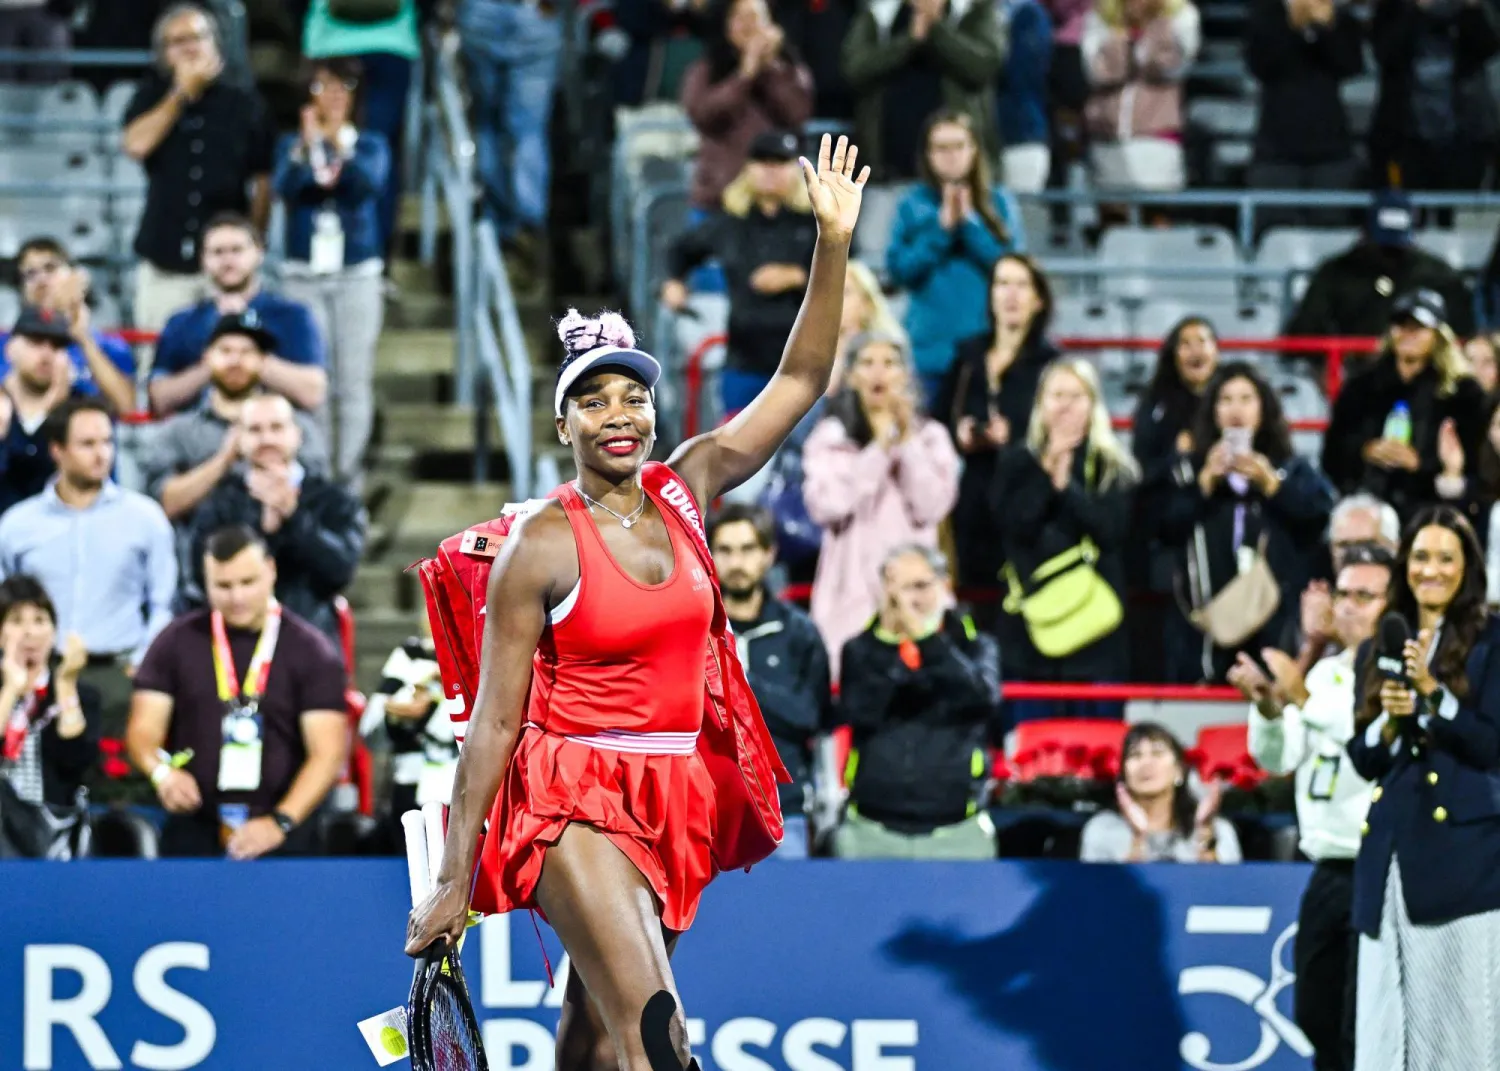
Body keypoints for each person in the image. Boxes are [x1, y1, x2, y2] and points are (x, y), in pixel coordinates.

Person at [403, 135, 869, 1071]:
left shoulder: (690, 485)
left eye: (632, 397)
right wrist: (455, 875)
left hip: (673, 796)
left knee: (597, 1045)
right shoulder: (540, 543)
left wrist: (831, 244)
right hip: (570, 795)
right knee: (660, 1038)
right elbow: (494, 723)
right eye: (595, 401)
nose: (619, 413)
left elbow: (801, 381)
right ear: (564, 423)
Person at [1346, 506, 1500, 1071]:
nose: (1430, 570)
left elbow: (1491, 745)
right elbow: (1364, 759)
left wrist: (1435, 696)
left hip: (1468, 865)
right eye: (1420, 557)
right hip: (1389, 861)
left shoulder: (1493, 642)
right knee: (1386, 1030)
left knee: (1463, 1031)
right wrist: (1386, 723)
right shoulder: (1380, 643)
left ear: (1467, 568)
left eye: (1445, 558)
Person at [1229, 543, 1392, 1071]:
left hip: (1387, 873)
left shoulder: (1398, 673)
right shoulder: (1323, 674)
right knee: (1318, 1015)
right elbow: (1278, 759)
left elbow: (1369, 737)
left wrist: (1299, 697)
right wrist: (1268, 709)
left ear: (1394, 605)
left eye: (1363, 596)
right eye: (1341, 594)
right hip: (1327, 870)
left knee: (1369, 1022)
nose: (1345, 606)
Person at [126, 524, 349, 858]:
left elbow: (327, 753)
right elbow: (143, 730)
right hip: (196, 826)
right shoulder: (175, 641)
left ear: (271, 571)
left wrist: (280, 822)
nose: (237, 597)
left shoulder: (311, 650)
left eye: (248, 582)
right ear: (205, 581)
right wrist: (162, 773)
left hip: (286, 834)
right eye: (223, 586)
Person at [0, 398, 177, 749]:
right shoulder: (17, 524)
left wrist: (145, 663)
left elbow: (164, 603)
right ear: (58, 450)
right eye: (88, 444)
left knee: (118, 794)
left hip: (119, 676)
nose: (102, 454)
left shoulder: (146, 518)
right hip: (38, 676)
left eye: (108, 442)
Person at [1157, 361, 1335, 683]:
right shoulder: (1188, 471)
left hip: (1275, 623)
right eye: (1225, 400)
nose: (1235, 410)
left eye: (1246, 399)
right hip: (1204, 631)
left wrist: (1273, 486)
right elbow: (1159, 527)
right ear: (1212, 410)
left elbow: (1319, 518)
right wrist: (1204, 486)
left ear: (1264, 407)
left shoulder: (1290, 468)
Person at [802, 330, 960, 676]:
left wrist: (906, 445)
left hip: (917, 592)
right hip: (849, 592)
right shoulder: (830, 438)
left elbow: (932, 506)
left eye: (889, 363)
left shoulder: (932, 438)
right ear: (853, 375)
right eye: (868, 363)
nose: (878, 373)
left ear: (905, 375)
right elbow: (827, 505)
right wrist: (880, 450)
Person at [836, 544, 1001, 859]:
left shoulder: (976, 647)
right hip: (870, 833)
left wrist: (924, 639)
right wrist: (886, 639)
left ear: (945, 586)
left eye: (920, 586)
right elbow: (861, 710)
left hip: (958, 836)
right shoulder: (859, 651)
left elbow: (980, 699)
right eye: (898, 589)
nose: (909, 600)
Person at [992, 358, 1136, 716]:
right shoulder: (1015, 464)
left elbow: (1112, 532)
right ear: (1041, 404)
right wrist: (1046, 473)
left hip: (1098, 638)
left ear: (1093, 405)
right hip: (1030, 639)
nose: (1066, 405)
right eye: (1057, 395)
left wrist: (1066, 488)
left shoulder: (1113, 466)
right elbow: (1014, 528)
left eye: (1077, 395)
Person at [121, 3, 276, 331]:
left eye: (197, 37)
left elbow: (263, 182)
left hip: (226, 268)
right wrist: (179, 94)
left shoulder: (246, 103)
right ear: (163, 54)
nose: (190, 48)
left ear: (216, 43)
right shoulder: (150, 96)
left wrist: (253, 241)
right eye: (177, 42)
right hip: (164, 260)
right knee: (159, 364)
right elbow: (136, 144)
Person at [274, 58, 391, 487]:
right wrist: (308, 147)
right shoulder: (291, 142)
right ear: (308, 94)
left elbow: (363, 184)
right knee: (315, 381)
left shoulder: (370, 144)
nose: (336, 94)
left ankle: (348, 478)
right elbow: (288, 186)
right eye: (323, 86)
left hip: (356, 274)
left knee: (353, 383)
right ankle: (317, 476)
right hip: (303, 274)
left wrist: (333, 146)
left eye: (343, 85)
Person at [186, 393, 366, 647]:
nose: (267, 439)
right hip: (234, 644)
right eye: (255, 430)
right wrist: (260, 528)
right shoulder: (220, 502)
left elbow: (341, 570)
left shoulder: (334, 498)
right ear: (239, 439)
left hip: (312, 643)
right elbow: (198, 574)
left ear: (297, 434)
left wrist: (293, 516)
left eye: (277, 428)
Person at [660, 131, 820, 418]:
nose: (771, 171)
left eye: (780, 162)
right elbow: (678, 250)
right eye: (763, 162)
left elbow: (848, 270)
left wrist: (799, 276)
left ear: (795, 170)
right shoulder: (730, 224)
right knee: (737, 453)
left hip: (805, 362)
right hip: (745, 359)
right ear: (748, 169)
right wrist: (673, 282)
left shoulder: (815, 222)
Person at [707, 503, 833, 859]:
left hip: (783, 809)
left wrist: (736, 685)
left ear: (768, 555)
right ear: (710, 555)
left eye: (748, 549)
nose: (737, 562)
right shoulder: (695, 629)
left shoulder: (800, 633)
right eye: (726, 550)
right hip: (707, 810)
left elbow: (810, 717)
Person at [887, 109, 1027, 401]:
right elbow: (899, 271)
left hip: (987, 350)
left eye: (958, 146)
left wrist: (970, 225)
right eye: (941, 148)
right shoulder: (912, 204)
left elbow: (1013, 268)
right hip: (928, 352)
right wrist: (941, 231)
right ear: (928, 154)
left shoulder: (999, 201)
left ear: (974, 149)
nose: (951, 156)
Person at [936, 252, 1056, 588]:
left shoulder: (1051, 365)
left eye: (1021, 285)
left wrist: (1015, 437)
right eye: (1002, 284)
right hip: (971, 504)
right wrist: (958, 433)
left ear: (1038, 300)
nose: (1011, 294)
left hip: (1026, 505)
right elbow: (936, 420)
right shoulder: (968, 355)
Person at [1322, 288, 1488, 523]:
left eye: (1418, 327)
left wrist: (1421, 464)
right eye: (1401, 325)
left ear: (1438, 335)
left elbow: (1477, 464)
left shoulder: (1464, 394)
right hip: (1368, 505)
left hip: (1436, 509)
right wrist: (1366, 450)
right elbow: (1331, 453)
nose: (1408, 334)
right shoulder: (1361, 387)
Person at [148, 215, 328, 417]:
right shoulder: (182, 322)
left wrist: (249, 353)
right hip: (199, 434)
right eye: (218, 252)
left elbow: (313, 393)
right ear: (203, 259)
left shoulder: (292, 316)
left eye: (237, 250)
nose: (228, 260)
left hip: (275, 433)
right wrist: (213, 365)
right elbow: (158, 399)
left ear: (259, 253)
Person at [841, 0, 1007, 180]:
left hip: (961, 174)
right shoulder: (878, 14)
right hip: (887, 170)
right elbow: (854, 70)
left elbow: (983, 67)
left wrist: (936, 28)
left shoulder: (973, 10)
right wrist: (909, 40)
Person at [680, 0, 815, 211]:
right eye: (739, 18)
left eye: (756, 18)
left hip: (780, 203)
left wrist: (770, 67)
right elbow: (704, 114)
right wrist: (745, 74)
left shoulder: (788, 68)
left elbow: (797, 113)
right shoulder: (705, 70)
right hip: (718, 197)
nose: (748, 26)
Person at [1285, 191, 1475, 339]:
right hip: (1353, 374)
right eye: (1383, 247)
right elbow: (1304, 330)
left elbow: (1462, 331)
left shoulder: (1438, 276)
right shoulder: (1337, 272)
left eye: (1396, 249)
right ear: (1365, 234)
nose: (1389, 257)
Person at [0, 575, 98, 857]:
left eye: (40, 620)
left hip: (54, 840)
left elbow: (75, 762)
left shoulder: (80, 693)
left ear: (54, 632)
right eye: (16, 621)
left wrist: (65, 684)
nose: (29, 632)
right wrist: (10, 691)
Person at [0, 238, 136, 416]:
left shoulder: (109, 345)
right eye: (30, 273)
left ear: (76, 276)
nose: (41, 280)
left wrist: (84, 339)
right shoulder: (5, 344)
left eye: (50, 268)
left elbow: (126, 407)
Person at [1080, 722, 1241, 862]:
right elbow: (1101, 893)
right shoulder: (1101, 829)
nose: (1146, 763)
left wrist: (1205, 832)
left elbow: (1224, 891)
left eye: (1157, 753)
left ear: (1179, 771)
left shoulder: (1218, 829)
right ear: (1123, 774)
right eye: (1135, 755)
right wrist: (1138, 839)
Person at [1082, 0, 1201, 190]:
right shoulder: (1100, 16)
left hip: (1157, 138)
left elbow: (1175, 67)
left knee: (1155, 213)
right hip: (1108, 136)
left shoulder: (1181, 15)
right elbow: (1094, 71)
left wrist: (1153, 33)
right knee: (1112, 215)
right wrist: (1121, 40)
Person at [0, 305, 88, 516]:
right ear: (10, 349)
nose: (47, 354)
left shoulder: (80, 407)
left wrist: (51, 410)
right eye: (36, 342)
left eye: (57, 346)